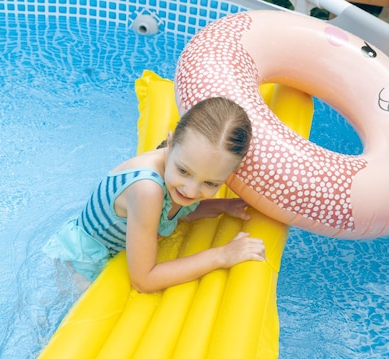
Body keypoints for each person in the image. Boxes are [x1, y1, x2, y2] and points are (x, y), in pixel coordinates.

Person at [43, 97, 266, 293]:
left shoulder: (178, 174)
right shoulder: (146, 189)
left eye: (210, 183)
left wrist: (223, 206)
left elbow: (176, 212)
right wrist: (222, 255)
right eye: (183, 171)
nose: (190, 191)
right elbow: (144, 280)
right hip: (79, 262)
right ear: (170, 144)